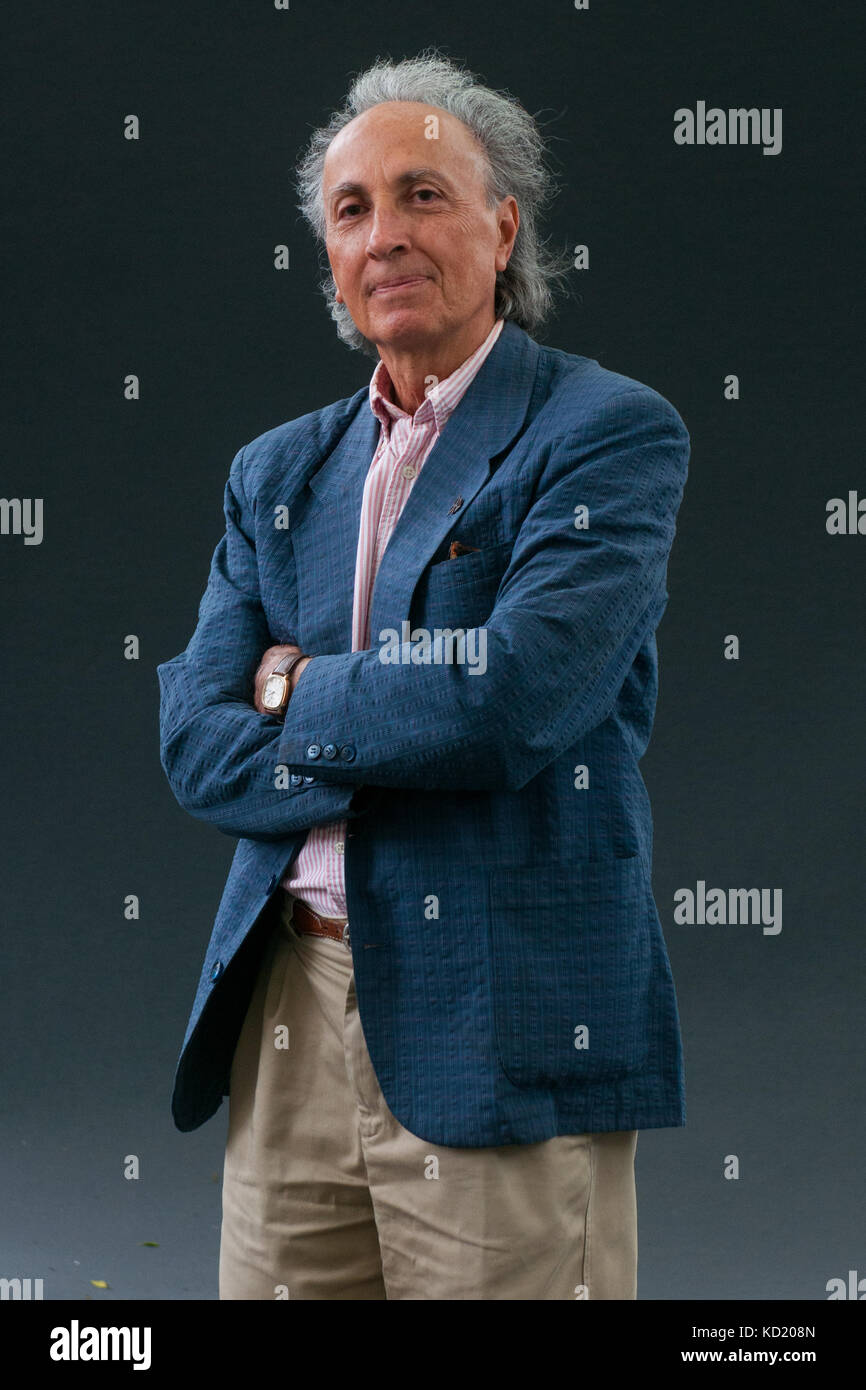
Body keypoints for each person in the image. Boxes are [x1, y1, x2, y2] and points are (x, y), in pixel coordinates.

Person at [157, 50, 691, 1301]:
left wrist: (289, 688)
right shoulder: (275, 473)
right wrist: (381, 705)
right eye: (352, 211)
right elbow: (191, 739)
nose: (384, 235)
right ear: (330, 258)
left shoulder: (603, 433)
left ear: (503, 227)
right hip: (289, 1002)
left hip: (501, 1006)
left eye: (422, 195)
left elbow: (507, 704)